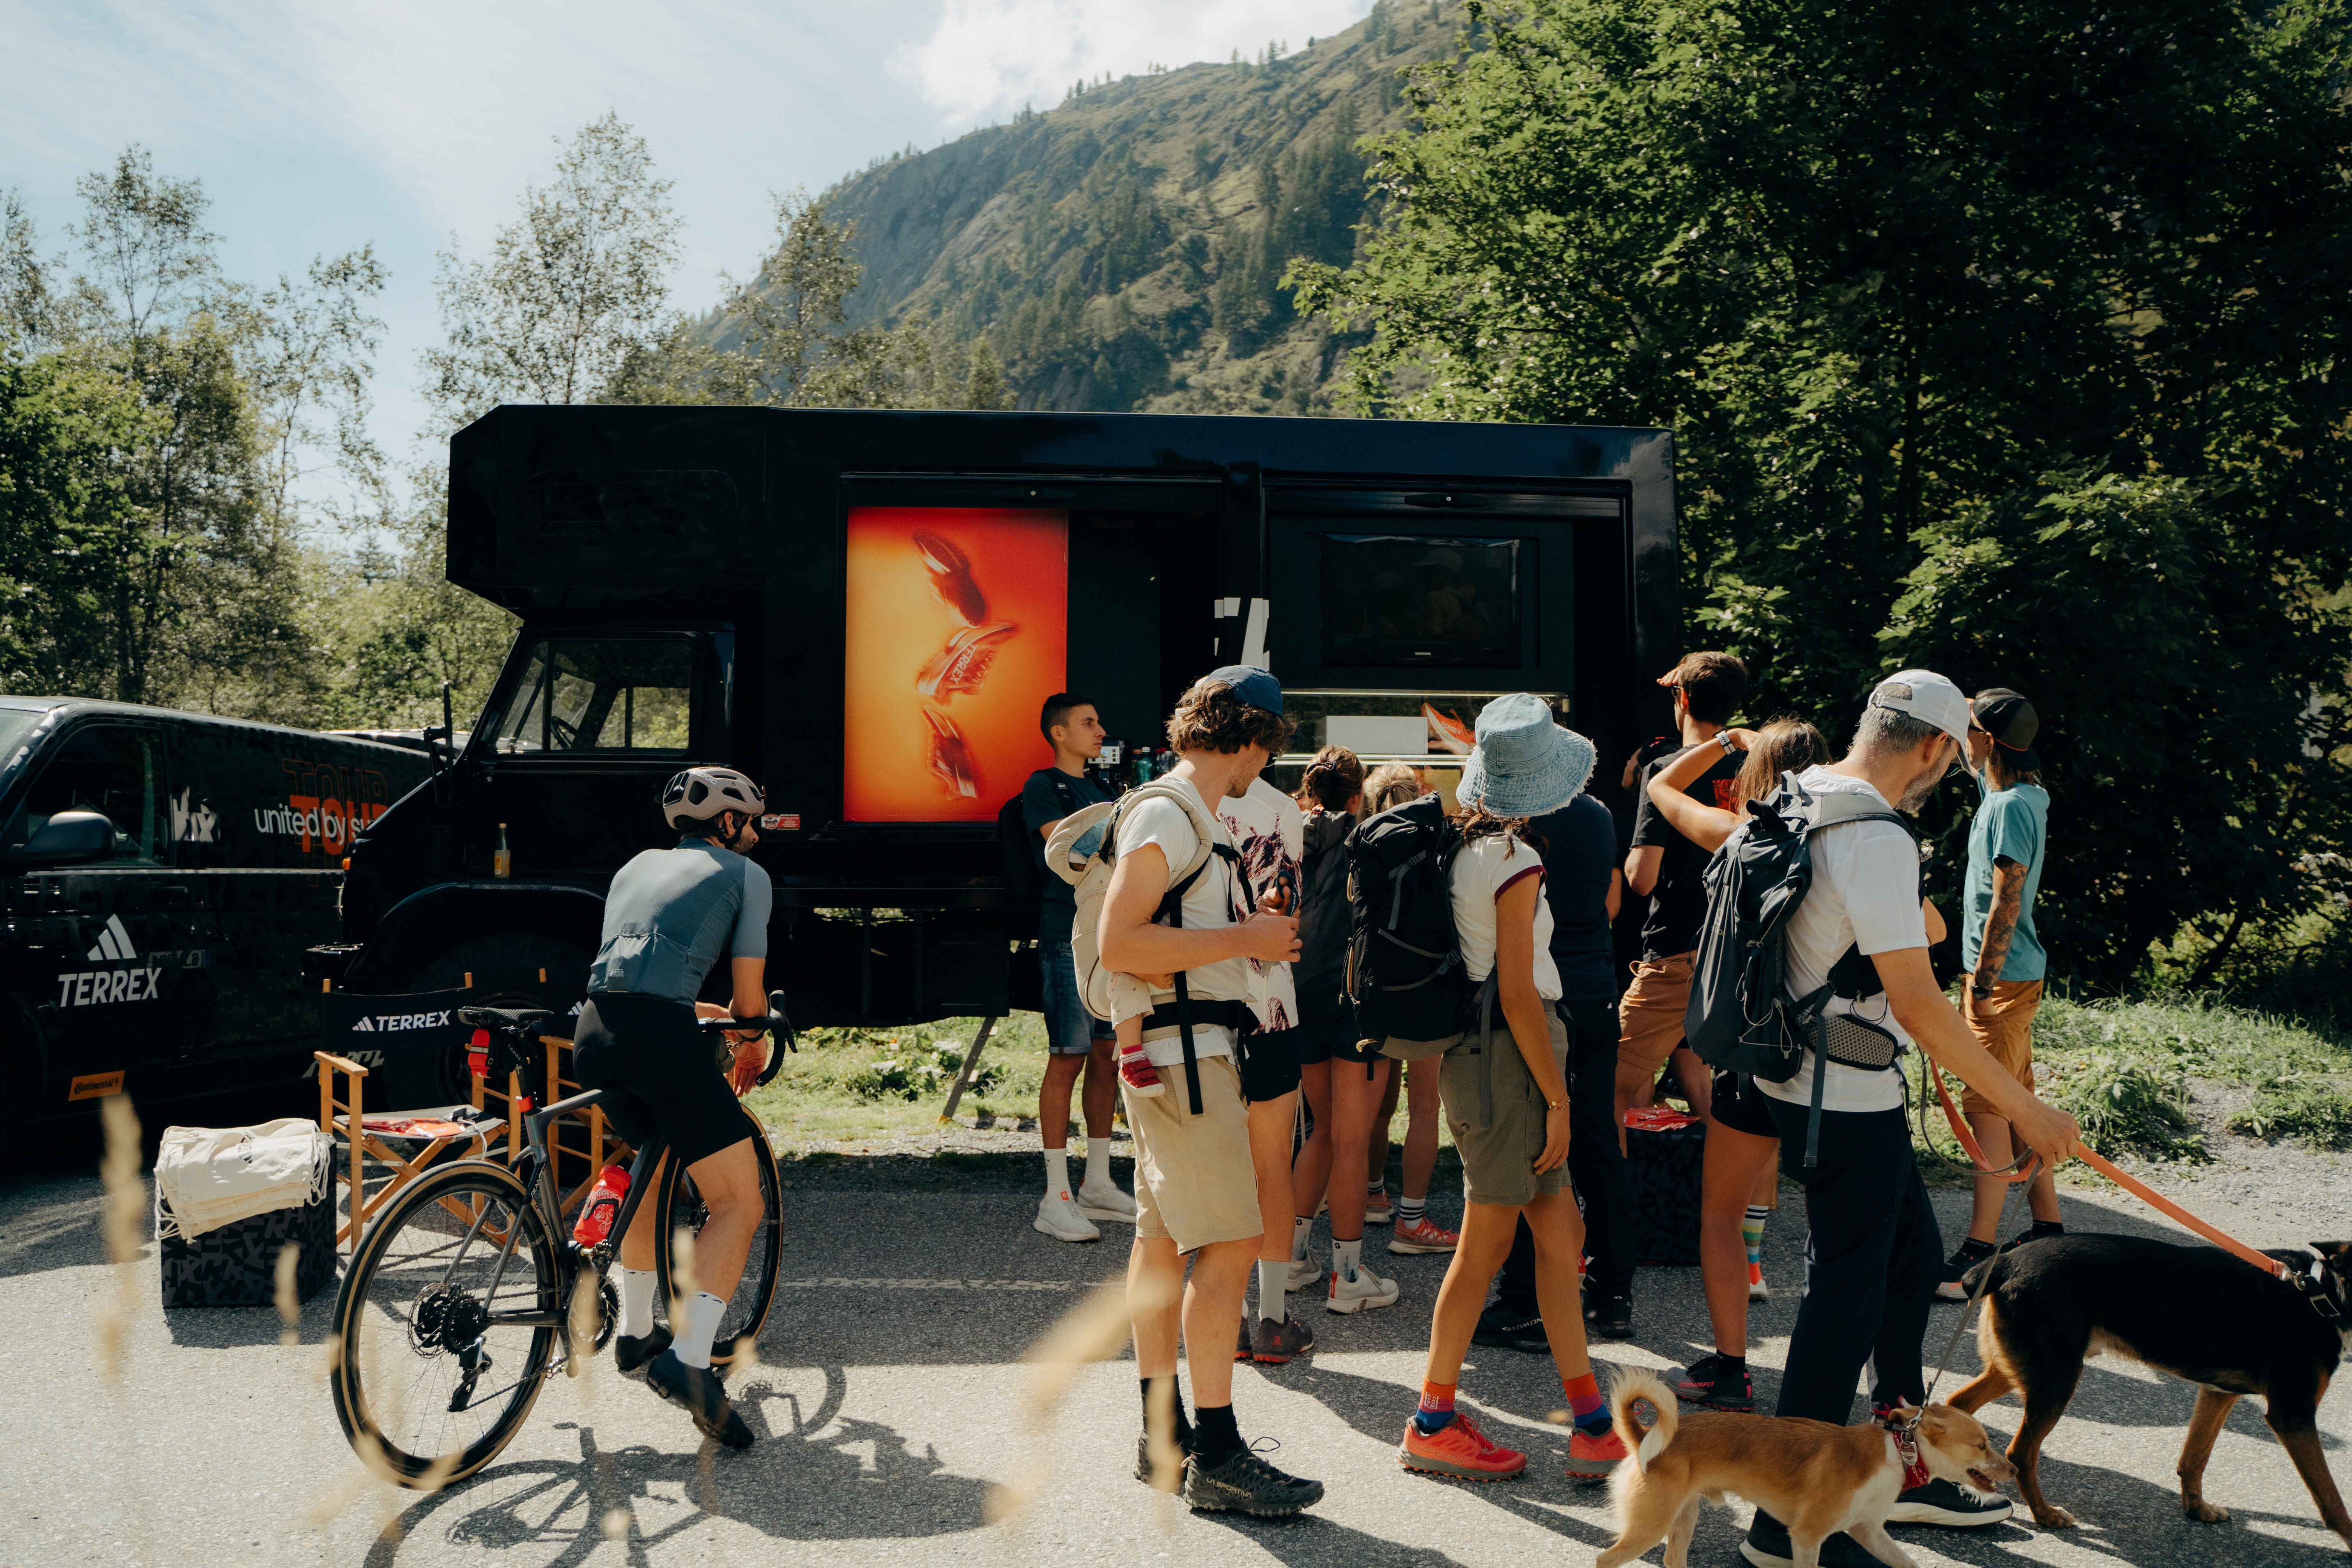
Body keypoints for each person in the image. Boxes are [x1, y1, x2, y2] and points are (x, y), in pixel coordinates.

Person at [1739, 671, 2082, 1568]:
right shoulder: (1880, 836)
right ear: (1934, 747)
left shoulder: (1797, 789)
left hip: (1801, 1078)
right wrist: (2026, 1110)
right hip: (1844, 1097)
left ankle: (1904, 1467)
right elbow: (1922, 1008)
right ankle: (1784, 1525)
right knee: (1840, 1303)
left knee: (1906, 1266)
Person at [1099, 667, 1324, 1515]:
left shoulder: (1173, 809)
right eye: (1267, 747)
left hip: (1174, 1047)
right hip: (1188, 1051)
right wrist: (1251, 935)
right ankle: (1220, 1451)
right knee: (1229, 1241)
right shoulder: (1169, 810)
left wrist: (1241, 933)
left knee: (1162, 1247)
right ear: (1249, 737)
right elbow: (1123, 940)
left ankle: (1165, 1439)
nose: (1263, 767)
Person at [1396, 694, 1628, 1483]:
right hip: (1512, 1056)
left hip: (1490, 1050)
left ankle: (1593, 1420)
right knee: (1488, 1238)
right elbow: (1521, 990)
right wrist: (1560, 1100)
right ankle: (1431, 1416)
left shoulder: (1467, 848)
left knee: (1556, 1235)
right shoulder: (1516, 860)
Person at [571, 766, 776, 1450]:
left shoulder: (635, 866)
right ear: (725, 823)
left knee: (655, 1173)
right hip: (660, 1039)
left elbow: (628, 974)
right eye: (749, 823)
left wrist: (694, 1010)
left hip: (596, 1031)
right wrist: (750, 1040)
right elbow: (750, 999)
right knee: (738, 1202)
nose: (754, 835)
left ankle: (634, 1335)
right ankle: (688, 1361)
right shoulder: (747, 878)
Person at [1639, 720, 1836, 1410]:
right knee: (1840, 1224)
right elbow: (1930, 927)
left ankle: (1732, 1369)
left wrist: (1724, 744)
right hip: (1835, 1062)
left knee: (1717, 1215)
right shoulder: (1856, 846)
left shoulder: (1736, 834)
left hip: (1754, 1052)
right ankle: (1842, 1385)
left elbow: (1658, 785)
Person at [1476, 729, 1639, 1346]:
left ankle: (1522, 1299)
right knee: (1598, 1142)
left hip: (1544, 997)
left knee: (1535, 1147)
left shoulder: (1509, 824)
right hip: (1598, 991)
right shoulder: (1597, 814)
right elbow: (1612, 899)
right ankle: (1613, 1290)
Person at [1936, 687, 2058, 1298]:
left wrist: (1980, 982)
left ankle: (1976, 1253)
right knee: (2016, 1101)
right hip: (2009, 974)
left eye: (1967, 729)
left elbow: (2006, 896)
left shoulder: (2009, 805)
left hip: (2000, 977)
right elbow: (1975, 763)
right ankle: (2047, 1227)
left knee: (1985, 1105)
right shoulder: (2017, 792)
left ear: (1986, 740)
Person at [1619, 652, 1750, 1136]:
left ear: (1684, 698)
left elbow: (1642, 877)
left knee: (1610, 1084)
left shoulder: (1665, 768)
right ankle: (1752, 1212)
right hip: (1741, 953)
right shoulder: (1758, 763)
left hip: (1678, 951)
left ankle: (1613, 1210)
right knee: (1741, 1094)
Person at [1020, 693, 1133, 1243]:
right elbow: (1069, 854)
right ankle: (1055, 1195)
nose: (1099, 729)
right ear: (1059, 733)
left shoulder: (1106, 789)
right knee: (1066, 1058)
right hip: (1067, 935)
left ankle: (1095, 1182)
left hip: (1104, 937)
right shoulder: (1042, 786)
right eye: (1088, 722)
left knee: (1105, 1056)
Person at [1219, 767, 1316, 1362]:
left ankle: (1225, 1316)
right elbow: (1289, 915)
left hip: (1197, 1009)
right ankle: (1273, 1319)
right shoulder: (1283, 810)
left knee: (1217, 1162)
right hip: (1271, 1004)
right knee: (1271, 1160)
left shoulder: (1174, 799)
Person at [1346, 763, 1448, 1245]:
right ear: (1419, 795)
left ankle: (1372, 1194)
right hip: (1428, 986)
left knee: (1377, 1106)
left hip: (1375, 986)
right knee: (1424, 1105)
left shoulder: (1362, 845)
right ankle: (1413, 1220)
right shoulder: (1436, 844)